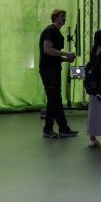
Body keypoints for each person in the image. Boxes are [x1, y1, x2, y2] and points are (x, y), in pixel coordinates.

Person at [39, 9, 78, 139]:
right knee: (53, 99)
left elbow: (53, 55)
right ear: (55, 17)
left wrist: (65, 59)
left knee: (56, 99)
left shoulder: (57, 33)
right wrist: (66, 54)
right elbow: (47, 50)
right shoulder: (50, 30)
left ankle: (63, 128)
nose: (64, 18)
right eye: (62, 16)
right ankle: (48, 129)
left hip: (54, 69)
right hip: (48, 70)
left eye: (65, 16)